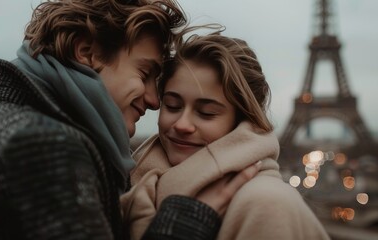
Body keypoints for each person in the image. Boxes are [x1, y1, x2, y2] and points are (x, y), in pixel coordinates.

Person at [0, 1, 254, 239]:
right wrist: (186, 219)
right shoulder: (44, 146)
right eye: (144, 74)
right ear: (86, 52)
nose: (153, 99)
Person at [121, 33, 331, 239]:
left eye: (206, 113)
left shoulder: (268, 205)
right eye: (172, 106)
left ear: (241, 121)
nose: (182, 124)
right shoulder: (136, 180)